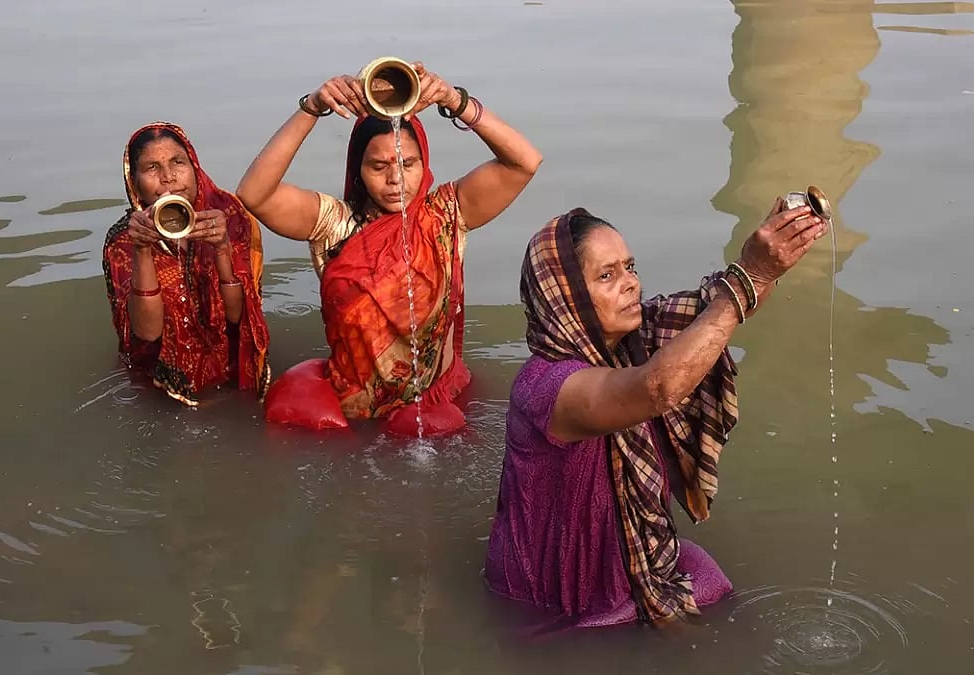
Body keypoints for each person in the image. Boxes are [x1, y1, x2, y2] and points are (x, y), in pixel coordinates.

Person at [484, 201, 829, 626]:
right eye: (606, 276)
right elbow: (659, 387)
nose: (631, 284)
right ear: (564, 297)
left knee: (710, 595)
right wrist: (752, 274)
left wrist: (770, 260)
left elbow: (725, 305)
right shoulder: (546, 387)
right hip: (556, 600)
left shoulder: (631, 339)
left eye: (629, 267)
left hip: (627, 561)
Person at [235, 62, 542, 434]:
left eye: (408, 164)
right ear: (358, 171)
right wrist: (311, 108)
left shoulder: (446, 214)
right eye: (378, 166)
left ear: (423, 161)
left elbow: (525, 161)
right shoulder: (335, 225)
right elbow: (254, 194)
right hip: (354, 411)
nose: (396, 179)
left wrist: (453, 100)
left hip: (433, 403)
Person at [103, 122, 271, 406]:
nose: (168, 178)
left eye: (177, 162)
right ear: (135, 184)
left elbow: (238, 318)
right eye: (152, 168)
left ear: (194, 167)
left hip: (231, 373)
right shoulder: (123, 240)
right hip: (159, 384)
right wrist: (142, 249)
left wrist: (221, 248)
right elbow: (146, 335)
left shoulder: (229, 218)